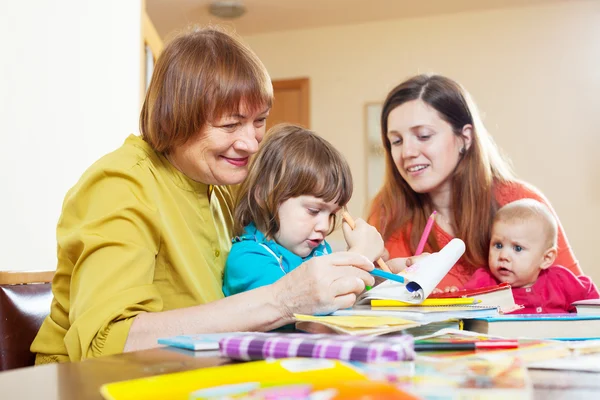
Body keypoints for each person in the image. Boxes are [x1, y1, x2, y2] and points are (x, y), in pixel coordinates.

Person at [31, 27, 375, 364]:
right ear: (176, 117)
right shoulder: (119, 185)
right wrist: (280, 300)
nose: (252, 143)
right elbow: (106, 344)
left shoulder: (224, 184)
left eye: (260, 121)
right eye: (230, 125)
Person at [368, 74, 582, 292]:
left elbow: (577, 300)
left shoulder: (523, 203)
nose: (407, 152)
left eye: (423, 136)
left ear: (465, 137)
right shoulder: (387, 212)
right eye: (396, 141)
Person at [223, 124, 384, 297]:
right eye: (313, 210)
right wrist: (360, 256)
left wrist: (378, 277)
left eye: (331, 214)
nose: (324, 226)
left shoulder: (317, 250)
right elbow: (304, 304)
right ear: (264, 195)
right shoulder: (248, 259)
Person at [463, 199, 598, 313]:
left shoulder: (561, 280)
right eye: (498, 245)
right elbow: (460, 303)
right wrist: (450, 294)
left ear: (546, 259)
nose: (503, 255)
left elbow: (590, 300)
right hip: (510, 342)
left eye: (517, 248)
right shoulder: (484, 282)